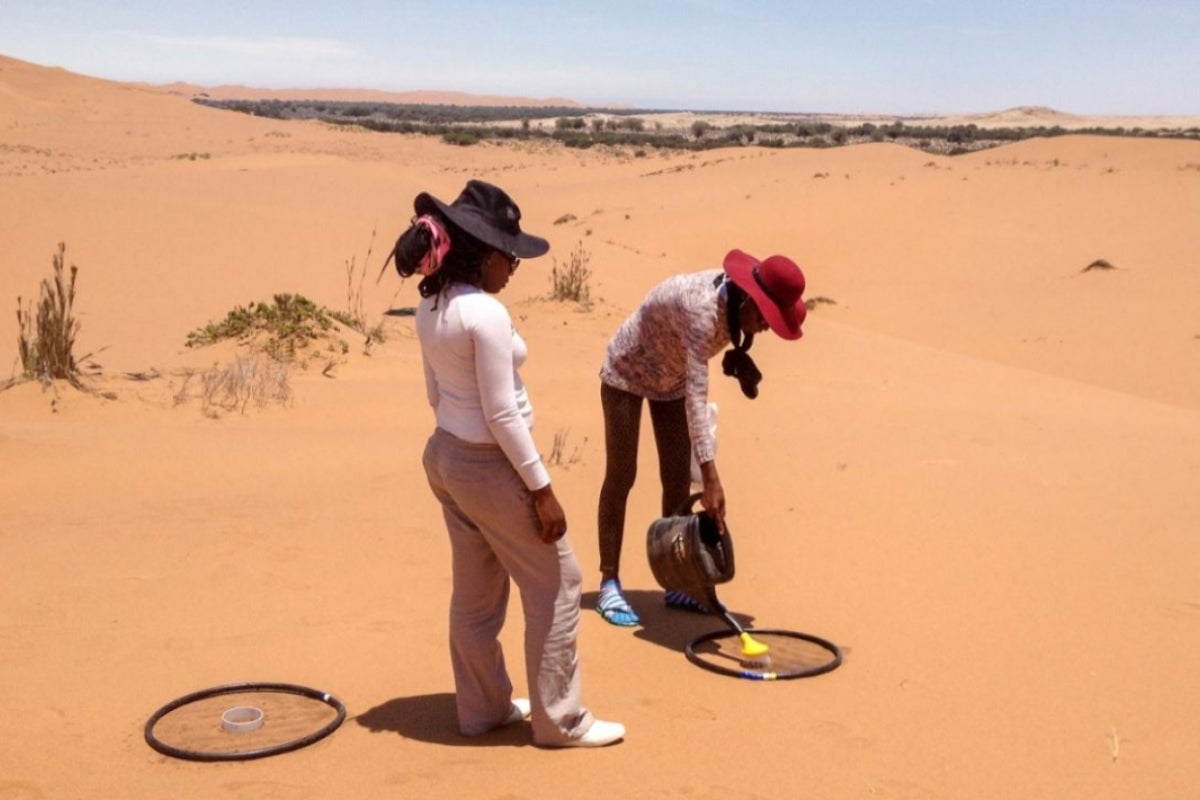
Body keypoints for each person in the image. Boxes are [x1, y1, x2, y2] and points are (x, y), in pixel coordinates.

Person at [390, 179, 624, 747]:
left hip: (445, 456)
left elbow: (435, 394)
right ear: (486, 253)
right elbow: (501, 413)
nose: (515, 267)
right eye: (510, 255)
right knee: (560, 582)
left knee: (476, 591)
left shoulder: (431, 305)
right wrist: (541, 489)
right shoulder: (485, 314)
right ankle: (560, 721)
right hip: (490, 464)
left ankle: (482, 708)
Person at [594, 249, 807, 626]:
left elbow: (702, 367)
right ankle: (609, 581)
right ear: (749, 298)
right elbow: (697, 399)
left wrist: (738, 356)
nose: (765, 327)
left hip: (670, 376)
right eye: (764, 318)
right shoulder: (703, 312)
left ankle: (676, 583)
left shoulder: (736, 307)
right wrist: (711, 477)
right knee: (622, 473)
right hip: (628, 369)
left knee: (676, 477)